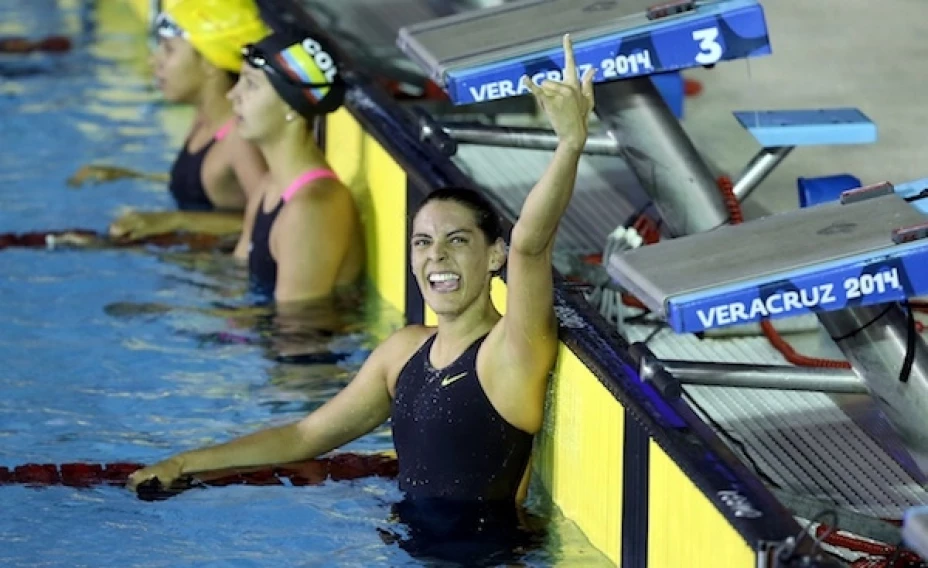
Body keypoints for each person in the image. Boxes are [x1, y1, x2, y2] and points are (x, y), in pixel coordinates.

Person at [128, 34, 595, 564]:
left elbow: (532, 246)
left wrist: (569, 145)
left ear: (494, 257)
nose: (436, 258)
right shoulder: (402, 353)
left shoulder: (506, 355)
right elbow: (306, 434)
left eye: (457, 241)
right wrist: (186, 462)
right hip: (404, 548)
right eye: (423, 243)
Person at [69, 0, 270, 241]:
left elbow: (270, 220)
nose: (154, 61)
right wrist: (130, 175)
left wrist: (175, 219)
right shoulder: (205, 117)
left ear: (209, 62)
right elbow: (198, 187)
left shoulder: (238, 138)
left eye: (168, 49)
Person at [225, 29, 364, 304]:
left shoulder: (313, 210)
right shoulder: (270, 184)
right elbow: (237, 276)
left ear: (291, 105)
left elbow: (297, 334)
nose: (232, 94)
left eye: (251, 85)